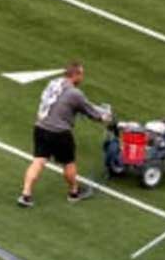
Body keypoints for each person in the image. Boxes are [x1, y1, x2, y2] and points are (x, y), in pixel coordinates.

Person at [17, 61, 112, 207]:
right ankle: (73, 192)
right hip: (59, 132)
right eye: (81, 74)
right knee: (68, 163)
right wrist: (104, 117)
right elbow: (90, 112)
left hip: (41, 127)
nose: (82, 77)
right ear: (75, 75)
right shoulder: (75, 93)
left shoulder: (53, 83)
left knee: (38, 161)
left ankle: (26, 194)